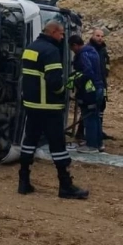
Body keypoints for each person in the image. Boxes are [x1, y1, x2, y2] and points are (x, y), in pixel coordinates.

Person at [18, 20, 89, 199]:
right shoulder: (51, 51)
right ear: (53, 32)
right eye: (62, 34)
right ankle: (65, 185)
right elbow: (54, 82)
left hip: (32, 105)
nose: (63, 37)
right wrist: (65, 89)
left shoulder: (31, 48)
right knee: (58, 146)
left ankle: (23, 181)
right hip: (49, 106)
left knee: (29, 141)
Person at [68, 34, 103, 154]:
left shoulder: (83, 55)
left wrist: (76, 80)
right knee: (95, 116)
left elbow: (88, 73)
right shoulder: (92, 51)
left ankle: (92, 145)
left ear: (75, 45)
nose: (72, 51)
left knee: (89, 117)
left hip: (89, 91)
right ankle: (98, 143)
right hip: (98, 88)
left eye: (72, 49)